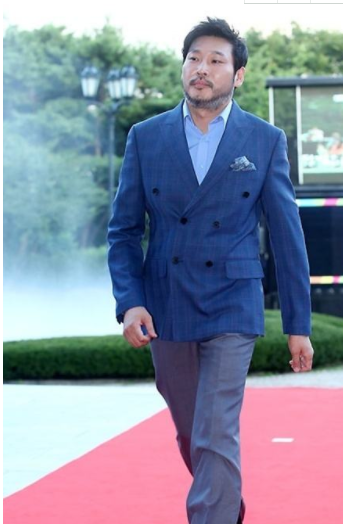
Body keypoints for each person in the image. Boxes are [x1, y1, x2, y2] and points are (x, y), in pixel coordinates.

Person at [107, 17, 314, 524]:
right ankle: (226, 504)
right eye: (194, 58)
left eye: (216, 60)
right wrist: (130, 301)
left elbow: (286, 236)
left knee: (215, 429)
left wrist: (298, 325)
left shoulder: (264, 140)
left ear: (237, 75)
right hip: (166, 303)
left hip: (232, 301)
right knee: (191, 433)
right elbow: (124, 230)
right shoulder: (146, 137)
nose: (201, 68)